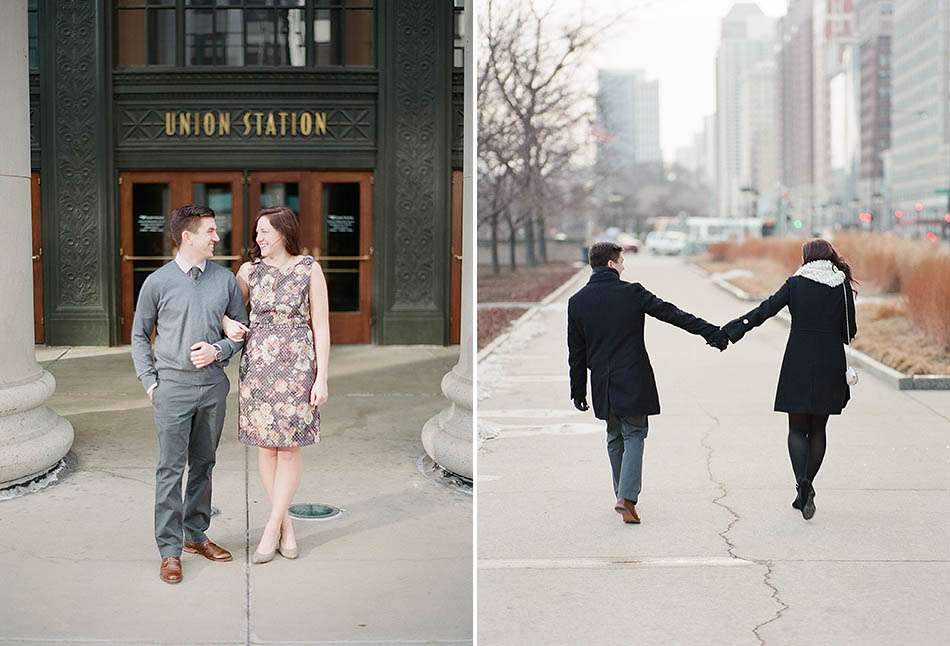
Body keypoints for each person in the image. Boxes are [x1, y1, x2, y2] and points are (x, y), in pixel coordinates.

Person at [567, 241, 729, 524]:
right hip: (632, 376)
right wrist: (710, 332)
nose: (624, 265)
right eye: (621, 261)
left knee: (615, 435)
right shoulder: (632, 293)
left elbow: (576, 352)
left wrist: (577, 390)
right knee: (635, 433)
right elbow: (673, 314)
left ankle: (621, 494)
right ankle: (626, 499)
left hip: (602, 382)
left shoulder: (577, 301)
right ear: (611, 264)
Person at [131, 204, 250, 585]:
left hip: (213, 386)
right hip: (173, 388)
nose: (217, 237)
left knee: (204, 463)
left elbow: (242, 330)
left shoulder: (225, 280)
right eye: (211, 231)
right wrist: (151, 382)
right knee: (170, 469)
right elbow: (138, 336)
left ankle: (195, 536)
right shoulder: (157, 282)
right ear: (188, 237)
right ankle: (169, 550)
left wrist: (221, 350)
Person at [721, 238, 858, 520]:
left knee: (797, 428)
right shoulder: (841, 284)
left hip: (798, 359)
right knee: (818, 428)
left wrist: (733, 331)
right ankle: (806, 485)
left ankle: (802, 485)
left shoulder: (795, 283)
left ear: (806, 258)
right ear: (831, 256)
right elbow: (850, 330)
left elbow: (765, 310)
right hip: (831, 360)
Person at [222, 206, 330, 563]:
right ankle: (285, 523)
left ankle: (271, 528)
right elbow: (225, 309)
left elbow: (322, 327)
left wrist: (322, 376)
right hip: (258, 367)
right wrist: (226, 325)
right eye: (256, 233)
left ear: (284, 232)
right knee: (266, 447)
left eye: (265, 232)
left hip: (298, 365)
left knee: (290, 448)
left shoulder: (309, 269)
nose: (258, 238)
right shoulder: (248, 272)